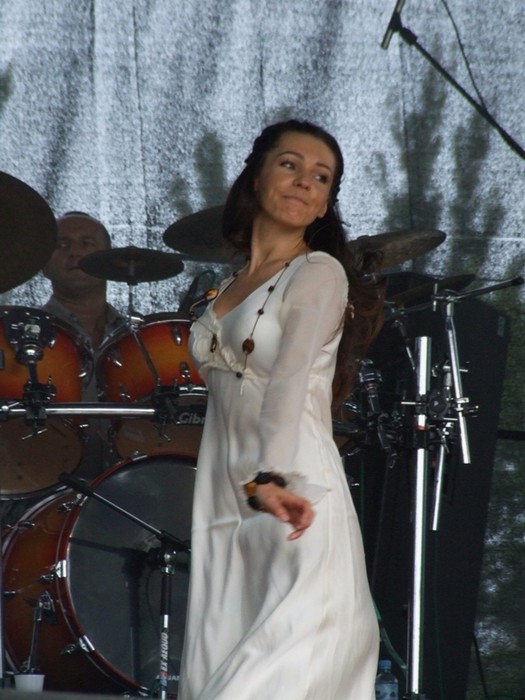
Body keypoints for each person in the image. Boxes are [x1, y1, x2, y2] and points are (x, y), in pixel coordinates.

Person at [179, 120, 385, 699]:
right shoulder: (228, 287)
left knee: (274, 671)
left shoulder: (318, 272)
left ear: (324, 204)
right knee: (219, 663)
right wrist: (252, 485)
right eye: (290, 164)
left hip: (293, 491)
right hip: (228, 501)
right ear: (257, 177)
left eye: (321, 178)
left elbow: (288, 381)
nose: (304, 182)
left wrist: (270, 477)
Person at [41, 211, 125, 478]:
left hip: (135, 485)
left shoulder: (138, 338)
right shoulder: (23, 338)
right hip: (47, 480)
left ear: (108, 261)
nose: (74, 252)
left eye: (87, 243)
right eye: (62, 244)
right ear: (43, 266)